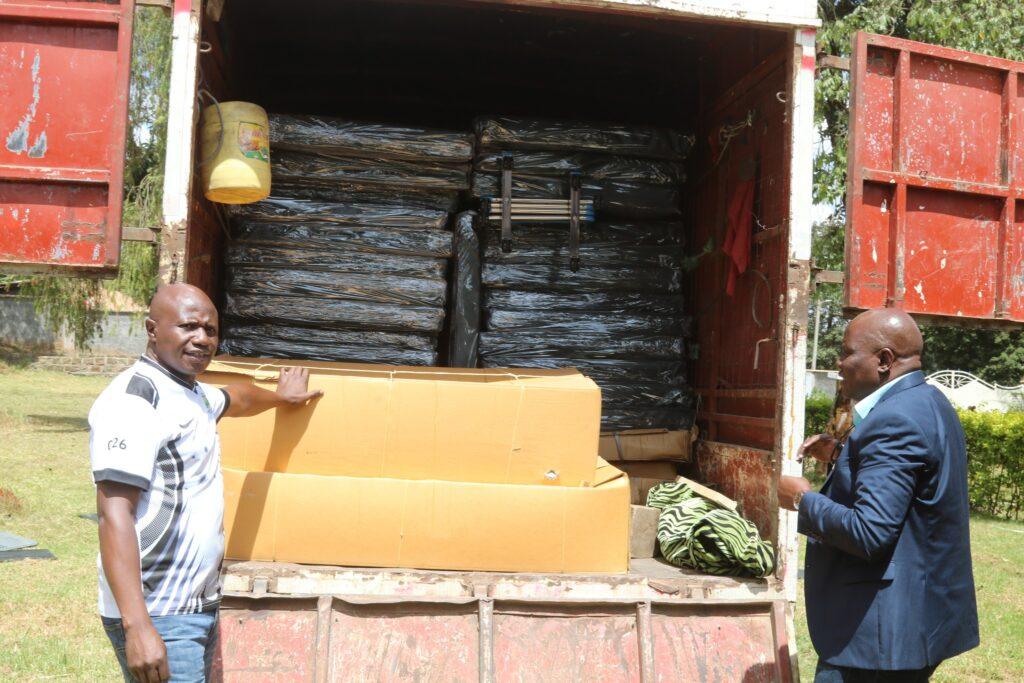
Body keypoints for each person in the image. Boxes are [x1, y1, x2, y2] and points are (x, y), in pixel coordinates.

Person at [89, 284, 322, 682]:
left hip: (196, 606)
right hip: (159, 611)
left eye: (210, 330)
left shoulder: (191, 394)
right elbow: (114, 515)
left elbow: (236, 397)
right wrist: (138, 626)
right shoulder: (134, 403)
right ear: (152, 329)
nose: (202, 339)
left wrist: (281, 398)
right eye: (188, 327)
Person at [778, 308, 979, 682]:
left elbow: (869, 532)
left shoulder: (893, 420)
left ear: (884, 360)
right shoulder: (929, 401)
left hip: (877, 641)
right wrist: (841, 454)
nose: (838, 364)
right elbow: (911, 482)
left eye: (846, 352)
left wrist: (802, 499)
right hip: (913, 623)